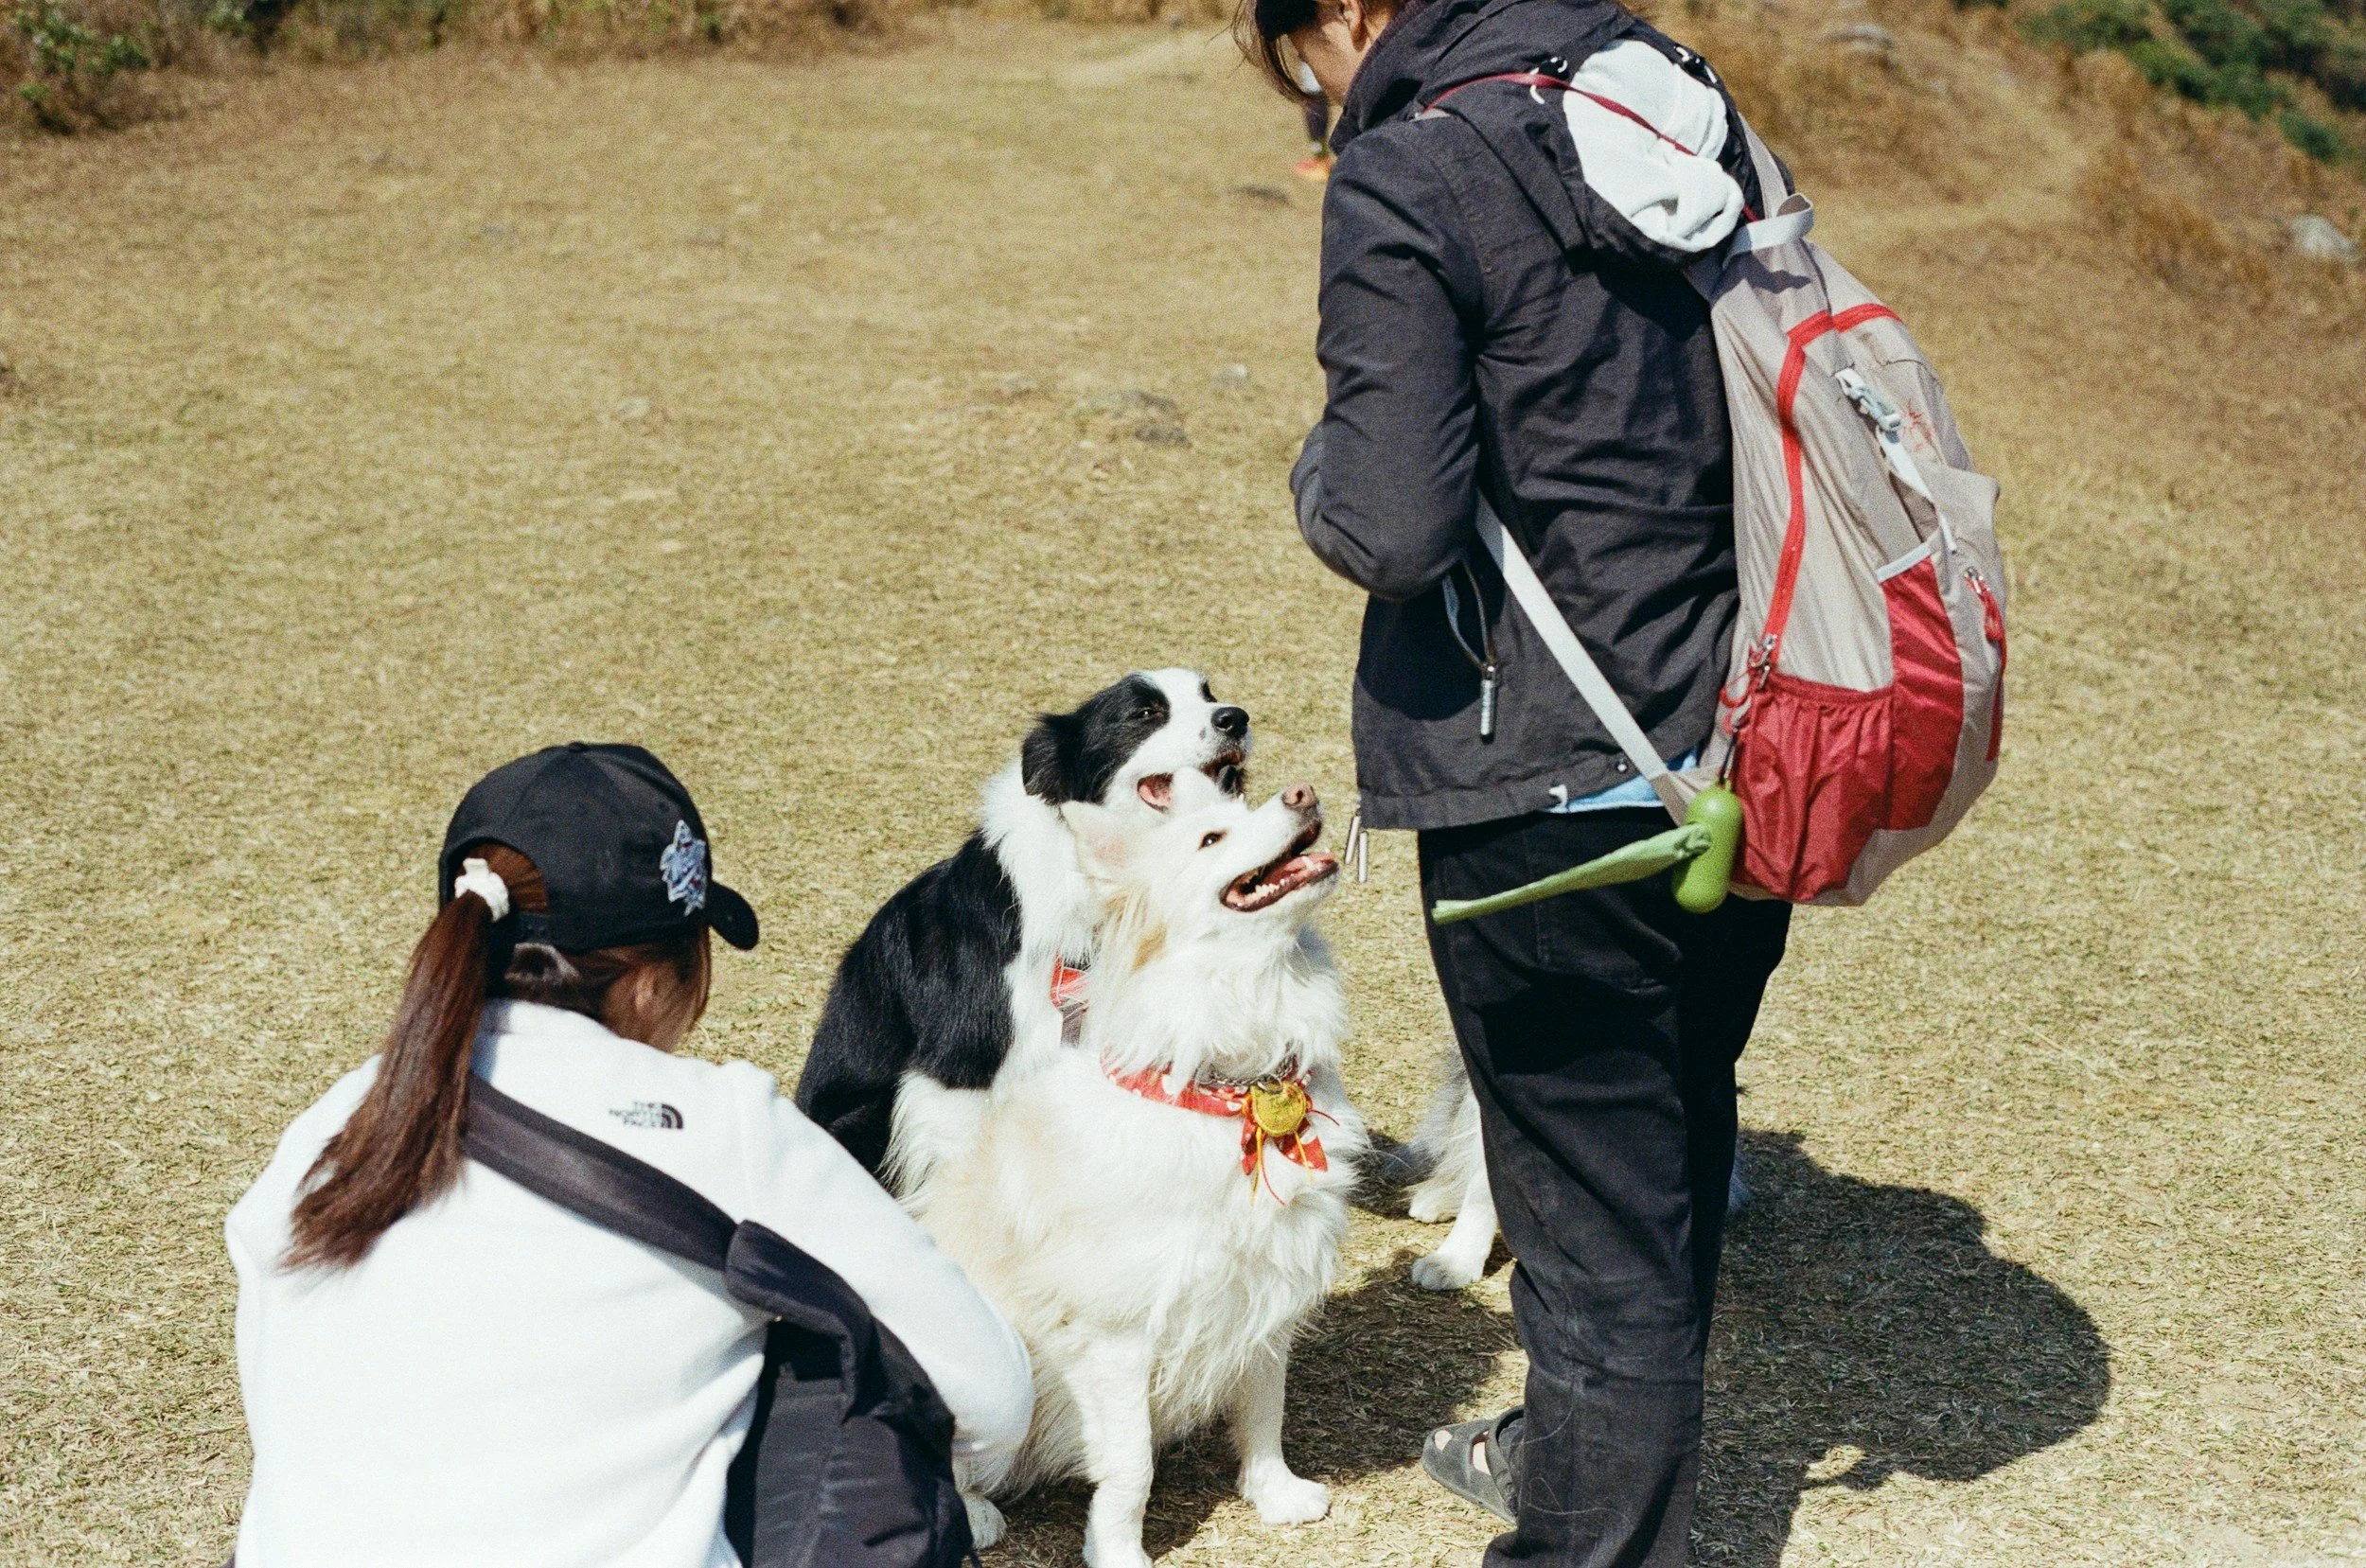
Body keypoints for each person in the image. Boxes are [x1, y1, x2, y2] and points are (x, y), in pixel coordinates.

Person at [1237, 0, 1794, 1562]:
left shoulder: (1415, 173)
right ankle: (1570, 1459)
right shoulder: (1681, 99)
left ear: (1343, 14)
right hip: (1750, 749)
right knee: (1664, 1144)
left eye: (1300, 63)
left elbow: (1391, 520)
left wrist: (1315, 469)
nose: (1315, 99)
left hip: (1547, 785)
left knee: (1593, 1219)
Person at [225, 743, 1033, 1567]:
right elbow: (989, 1390)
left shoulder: (334, 1125)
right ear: (653, 981)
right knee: (826, 1355)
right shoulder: (730, 1130)